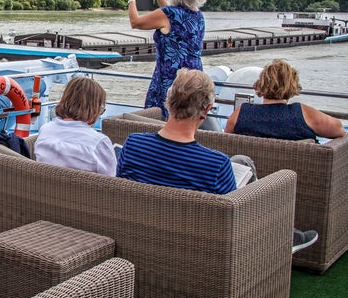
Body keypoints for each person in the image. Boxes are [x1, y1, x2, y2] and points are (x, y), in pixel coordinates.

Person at [117, 68, 318, 253]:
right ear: (207, 109)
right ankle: (280, 238)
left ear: (168, 102)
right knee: (243, 171)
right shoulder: (215, 164)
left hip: (142, 235)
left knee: (241, 161)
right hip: (198, 247)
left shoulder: (133, 144)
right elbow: (234, 219)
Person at [128, 0, 206, 117]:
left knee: (159, 120)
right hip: (194, 78)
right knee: (188, 119)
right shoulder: (198, 15)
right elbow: (172, 16)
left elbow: (135, 22)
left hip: (170, 78)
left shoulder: (168, 14)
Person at [224, 59, 345, 140]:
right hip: (301, 175)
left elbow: (227, 140)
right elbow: (339, 129)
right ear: (292, 85)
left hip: (254, 175)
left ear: (261, 82)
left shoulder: (242, 113)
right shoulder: (301, 113)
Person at [34, 76, 117, 175]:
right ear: (94, 108)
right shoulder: (99, 142)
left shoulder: (45, 129)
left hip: (44, 188)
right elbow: (112, 178)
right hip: (85, 190)